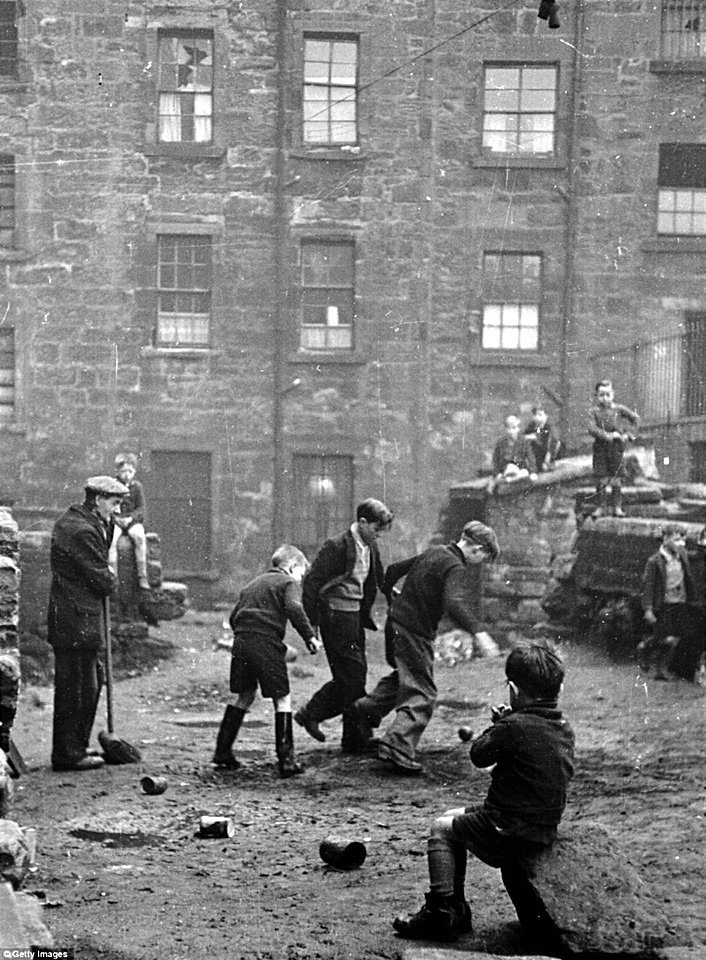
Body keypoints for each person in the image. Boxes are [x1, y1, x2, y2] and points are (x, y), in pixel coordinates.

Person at [393, 642, 575, 945]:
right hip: (539, 822)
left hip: (510, 825)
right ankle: (456, 907)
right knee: (452, 819)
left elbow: (479, 755)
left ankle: (441, 910)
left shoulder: (514, 726)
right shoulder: (561, 725)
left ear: (514, 690)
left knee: (440, 830)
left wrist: (501, 724)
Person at [351, 521, 500, 774]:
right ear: (476, 548)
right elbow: (452, 602)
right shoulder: (455, 565)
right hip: (414, 631)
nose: (480, 562)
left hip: (396, 622)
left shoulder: (433, 551)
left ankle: (365, 710)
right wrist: (479, 633)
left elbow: (393, 569)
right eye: (484, 557)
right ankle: (397, 746)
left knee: (405, 677)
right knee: (422, 691)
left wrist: (390, 593)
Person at [212, 545, 322, 778]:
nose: (300, 580)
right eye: (301, 573)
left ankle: (222, 751)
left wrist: (247, 632)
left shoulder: (252, 584)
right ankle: (287, 760)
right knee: (282, 698)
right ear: (291, 567)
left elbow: (233, 617)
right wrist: (309, 637)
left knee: (245, 695)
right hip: (265, 643)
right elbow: (293, 607)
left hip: (241, 641)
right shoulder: (287, 583)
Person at [294, 498, 393, 752]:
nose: (379, 535)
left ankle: (343, 732)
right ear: (362, 522)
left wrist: (399, 594)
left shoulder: (370, 545)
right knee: (352, 676)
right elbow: (312, 583)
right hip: (334, 617)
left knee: (351, 677)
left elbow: (380, 578)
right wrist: (311, 626)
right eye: (376, 528)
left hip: (354, 617)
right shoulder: (337, 546)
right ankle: (328, 722)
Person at [47, 475, 128, 771]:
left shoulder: (85, 522)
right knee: (77, 687)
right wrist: (110, 578)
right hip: (74, 618)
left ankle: (75, 746)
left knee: (89, 682)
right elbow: (101, 577)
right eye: (115, 503)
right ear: (97, 500)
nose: (117, 510)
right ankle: (68, 754)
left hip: (80, 616)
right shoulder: (78, 529)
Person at [638, 523, 699, 681]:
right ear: (665, 539)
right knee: (666, 638)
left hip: (679, 601)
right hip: (664, 604)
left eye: (682, 540)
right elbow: (648, 586)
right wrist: (648, 609)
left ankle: (653, 655)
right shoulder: (655, 561)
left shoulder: (682, 554)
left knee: (680, 636)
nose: (681, 544)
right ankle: (653, 660)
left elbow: (695, 556)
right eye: (677, 540)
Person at [587, 380, 640, 518]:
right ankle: (600, 507)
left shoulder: (619, 410)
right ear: (596, 396)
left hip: (616, 448)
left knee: (617, 478)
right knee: (601, 478)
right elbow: (592, 428)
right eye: (601, 395)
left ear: (613, 395)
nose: (605, 398)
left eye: (608, 394)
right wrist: (609, 435)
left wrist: (628, 435)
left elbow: (636, 420)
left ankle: (617, 507)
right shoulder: (593, 412)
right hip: (600, 448)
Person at [108, 453, 150, 591]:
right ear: (118, 472)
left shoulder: (137, 487)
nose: (127, 475)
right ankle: (113, 577)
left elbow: (141, 508)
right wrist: (117, 519)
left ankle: (142, 577)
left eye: (130, 472)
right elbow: (109, 507)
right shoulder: (112, 486)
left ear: (135, 472)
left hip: (132, 520)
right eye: (124, 471)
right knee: (112, 540)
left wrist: (131, 518)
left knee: (139, 537)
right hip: (117, 520)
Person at [490, 415, 538, 491]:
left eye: (515, 428)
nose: (514, 431)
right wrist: (497, 473)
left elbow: (531, 458)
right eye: (511, 428)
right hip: (506, 470)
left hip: (520, 470)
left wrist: (533, 472)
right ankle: (504, 478)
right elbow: (495, 461)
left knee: (525, 472)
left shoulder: (523, 441)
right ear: (506, 429)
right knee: (511, 468)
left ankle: (509, 480)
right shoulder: (501, 443)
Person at [523, 405, 561, 472]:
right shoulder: (533, 424)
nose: (537, 417)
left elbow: (555, 437)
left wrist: (549, 454)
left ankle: (550, 463)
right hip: (538, 450)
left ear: (546, 415)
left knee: (557, 443)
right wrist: (529, 437)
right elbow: (524, 433)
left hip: (549, 449)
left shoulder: (549, 424)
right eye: (535, 415)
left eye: (540, 415)